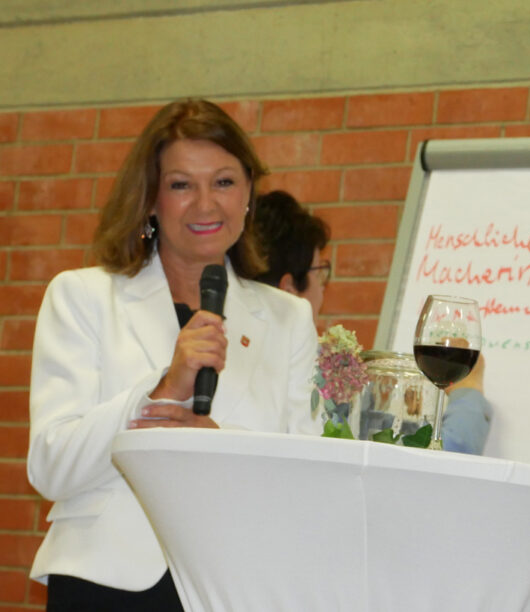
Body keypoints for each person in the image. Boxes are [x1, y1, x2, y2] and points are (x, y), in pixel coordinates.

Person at [26, 99, 322, 611]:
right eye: (182, 185)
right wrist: (159, 392)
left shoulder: (288, 319)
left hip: (238, 586)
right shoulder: (82, 297)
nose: (206, 205)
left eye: (224, 182)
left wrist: (218, 446)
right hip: (109, 582)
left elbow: (309, 478)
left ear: (248, 193)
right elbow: (52, 467)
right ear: (150, 199)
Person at [251, 190, 492, 454]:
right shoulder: (326, 374)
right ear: (289, 289)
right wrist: (468, 391)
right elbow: (429, 453)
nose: (323, 287)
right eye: (319, 271)